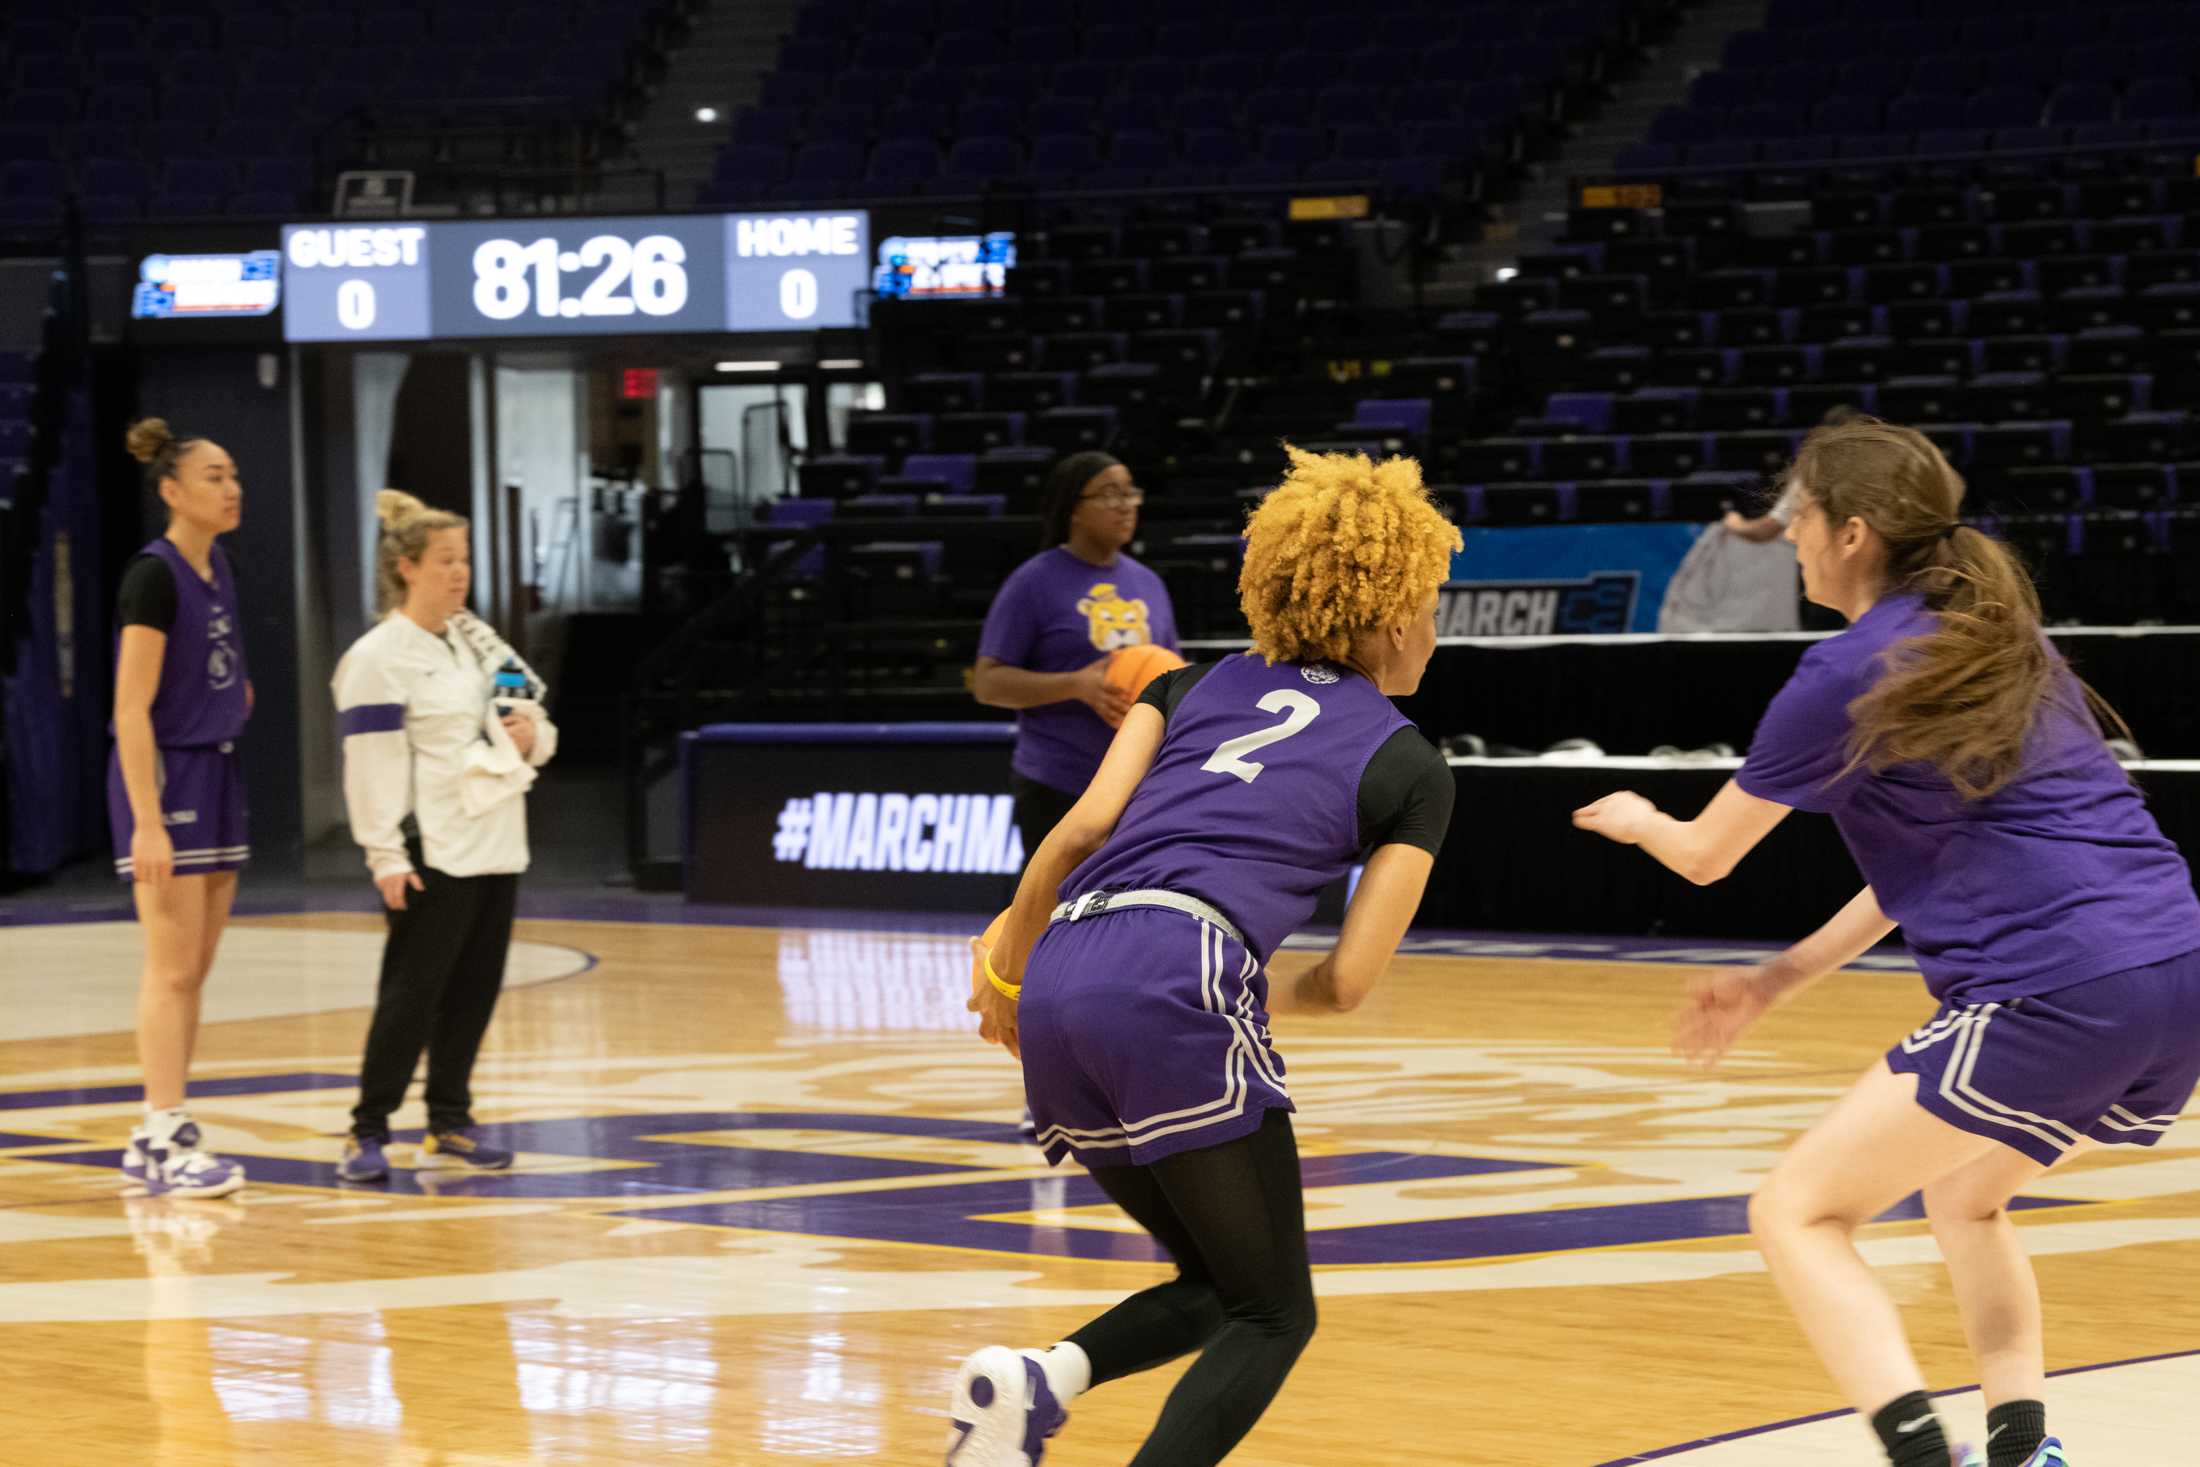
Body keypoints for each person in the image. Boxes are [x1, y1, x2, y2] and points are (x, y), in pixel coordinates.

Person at [1574, 417, 2200, 1467]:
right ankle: (2022, 1449)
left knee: (1796, 1212)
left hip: (2054, 985)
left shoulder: (1841, 671)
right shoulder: (2006, 639)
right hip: (2174, 970)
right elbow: (1922, 870)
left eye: (1800, 519)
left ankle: (1924, 1459)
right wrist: (1778, 979)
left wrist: (1637, 817)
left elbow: (1705, 857)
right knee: (1965, 1195)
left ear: (1852, 533)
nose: (1792, 538)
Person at [948, 446, 1461, 1467]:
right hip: (1181, 973)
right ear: (1397, 609)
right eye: (1434, 600)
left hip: (1060, 969)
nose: (1435, 626)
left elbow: (1076, 834)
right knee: (1276, 1314)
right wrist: (1248, 985)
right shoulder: (1411, 764)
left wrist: (1011, 968)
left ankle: (1035, 1383)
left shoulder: (1184, 688)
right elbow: (1350, 981)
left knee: (1221, 1283)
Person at [330, 491, 557, 1183]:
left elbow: (533, 718)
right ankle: (366, 1129)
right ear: (406, 567)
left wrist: (532, 738)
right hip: (433, 849)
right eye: (444, 560)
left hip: (497, 841)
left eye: (464, 558)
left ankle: (450, 1121)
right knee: (412, 992)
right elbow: (370, 766)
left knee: (475, 989)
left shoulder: (479, 643)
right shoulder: (377, 657)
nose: (459, 572)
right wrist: (385, 853)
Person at [110, 417, 252, 1198]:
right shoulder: (152, 576)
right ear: (171, 491)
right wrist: (147, 817)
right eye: (213, 477)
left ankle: (151, 1131)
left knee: (193, 972)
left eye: (232, 475)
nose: (230, 489)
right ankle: (169, 1133)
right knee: (169, 971)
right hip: (172, 780)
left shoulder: (216, 565)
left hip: (221, 770)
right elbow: (131, 708)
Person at [972, 450, 1179, 863]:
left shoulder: (1148, 582)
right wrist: (1077, 686)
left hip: (1137, 787)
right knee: (1052, 917)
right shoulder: (1033, 581)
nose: (1124, 504)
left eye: (1129, 493)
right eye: (1108, 494)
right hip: (1058, 783)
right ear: (1073, 510)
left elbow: (1172, 670)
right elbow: (987, 683)